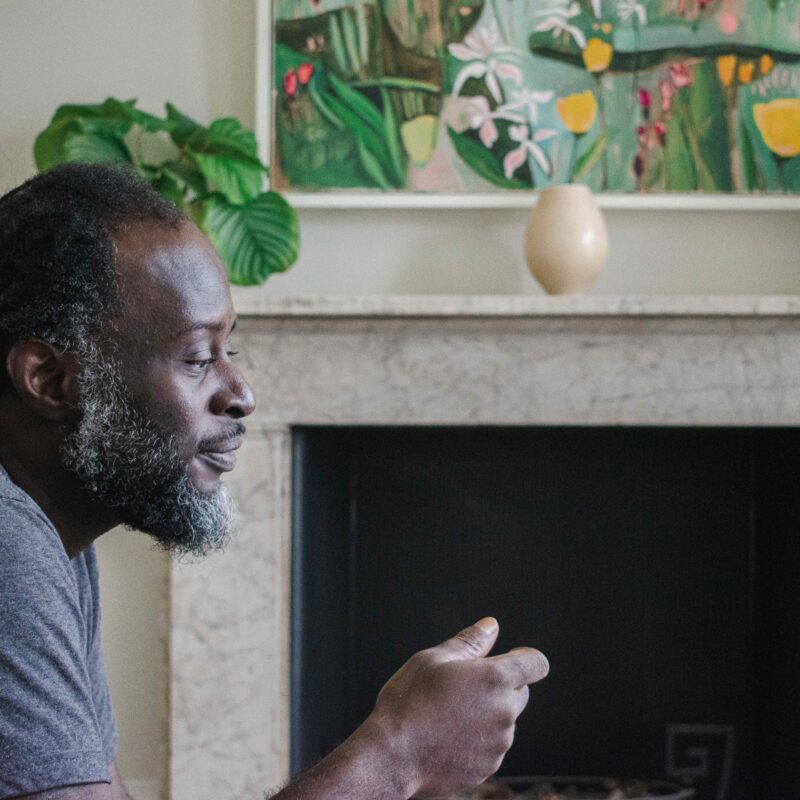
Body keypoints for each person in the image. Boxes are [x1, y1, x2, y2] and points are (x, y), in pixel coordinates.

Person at [0, 164, 549, 800]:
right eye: (198, 358)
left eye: (230, 350)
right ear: (50, 380)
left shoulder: (53, 543)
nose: (241, 394)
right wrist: (399, 753)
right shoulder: (9, 549)